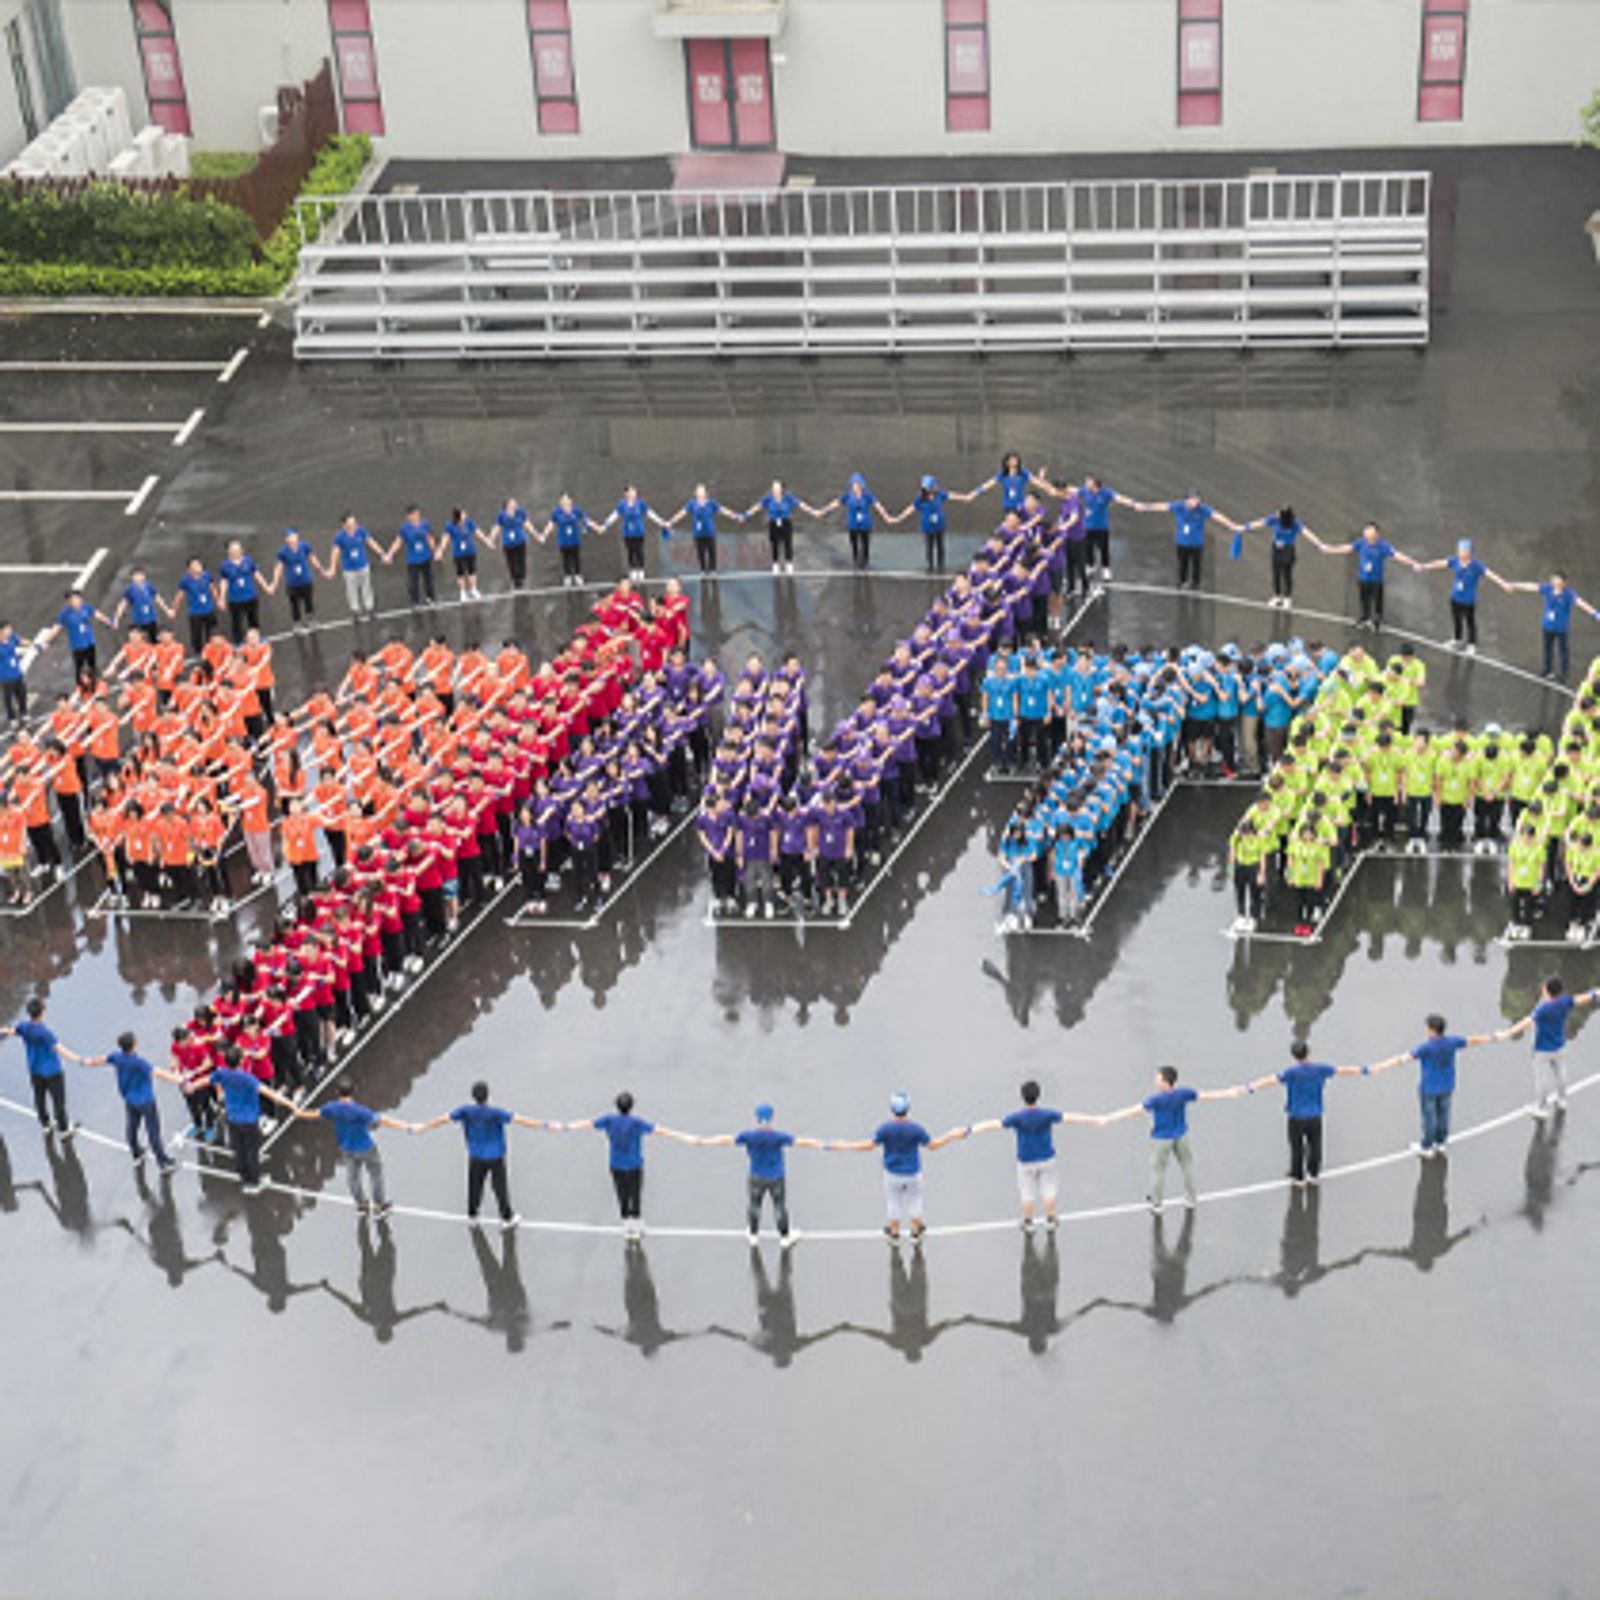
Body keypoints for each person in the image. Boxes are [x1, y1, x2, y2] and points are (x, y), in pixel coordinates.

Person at [829, 1092, 967, 1243]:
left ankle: (894, 1233)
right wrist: (952, 1135)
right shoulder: (916, 1129)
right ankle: (916, 1231)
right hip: (913, 1173)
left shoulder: (885, 1129)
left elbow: (868, 1146)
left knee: (893, 1201)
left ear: (891, 1109)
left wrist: (844, 1146)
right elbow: (933, 1145)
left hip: (892, 1173)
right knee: (914, 1200)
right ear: (908, 1108)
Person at [1101, 1065, 1242, 1212]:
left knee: (1159, 1170)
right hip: (1181, 1135)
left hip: (1162, 1139)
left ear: (1165, 1081)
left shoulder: (1156, 1099)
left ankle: (1157, 1203)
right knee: (1187, 1165)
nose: (1155, 1079)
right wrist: (1229, 1093)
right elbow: (1206, 1095)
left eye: (1158, 1077)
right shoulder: (1183, 1093)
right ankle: (1192, 1198)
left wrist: (1109, 1118)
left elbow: (1134, 1110)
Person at [1244, 1041, 1383, 1185]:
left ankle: (1298, 1176)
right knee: (1315, 1145)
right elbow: (1342, 1070)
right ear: (1308, 1052)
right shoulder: (1320, 1069)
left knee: (1297, 1146)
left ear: (1294, 1056)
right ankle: (1314, 1173)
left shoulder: (1291, 1073)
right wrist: (1365, 1070)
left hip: (1296, 1116)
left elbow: (1270, 1080)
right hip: (1315, 1114)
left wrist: (1250, 1087)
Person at [414, 1080, 546, 1228]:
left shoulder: (465, 1111)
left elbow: (444, 1119)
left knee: (475, 1185)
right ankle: (507, 1217)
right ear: (487, 1095)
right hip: (495, 1156)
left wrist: (423, 1127)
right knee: (499, 1187)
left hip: (475, 1155)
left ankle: (472, 1214)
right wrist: (544, 1125)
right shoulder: (495, 1112)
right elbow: (520, 1120)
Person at [969, 1079, 1099, 1229]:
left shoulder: (1017, 1117)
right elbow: (1070, 1117)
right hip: (1047, 1158)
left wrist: (972, 1129)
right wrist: (1094, 1119)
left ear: (1022, 1096)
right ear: (1038, 1095)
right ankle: (1051, 1220)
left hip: (1026, 1160)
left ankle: (1028, 1222)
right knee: (1048, 1189)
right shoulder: (1046, 1114)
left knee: (1027, 1192)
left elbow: (994, 1124)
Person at [568, 1091, 694, 1239]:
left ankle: (626, 1226)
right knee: (635, 1194)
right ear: (631, 1106)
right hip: (634, 1165)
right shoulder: (637, 1123)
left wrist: (566, 1126)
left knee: (622, 1194)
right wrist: (684, 1137)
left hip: (616, 1165)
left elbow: (587, 1123)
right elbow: (660, 1131)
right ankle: (637, 1225)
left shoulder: (609, 1120)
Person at [696, 1102, 822, 1246]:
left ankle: (753, 1235)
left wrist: (704, 1141)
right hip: (776, 1177)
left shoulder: (749, 1136)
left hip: (756, 1177)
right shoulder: (778, 1136)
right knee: (779, 1206)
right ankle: (785, 1238)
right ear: (772, 1118)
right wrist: (822, 1145)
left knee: (755, 1205)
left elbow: (725, 1139)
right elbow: (802, 1142)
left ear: (757, 1118)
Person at [1497, 975, 1600, 1120]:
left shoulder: (1544, 1009)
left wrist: (1507, 1033)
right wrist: (1595, 993)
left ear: (1548, 991)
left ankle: (1541, 1107)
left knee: (1542, 1080)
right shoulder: (1565, 1001)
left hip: (1543, 1050)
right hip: (1560, 1045)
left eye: (1544, 988)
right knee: (1561, 1074)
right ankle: (1562, 1100)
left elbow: (1527, 1022)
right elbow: (1581, 999)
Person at [301, 1082, 408, 1216]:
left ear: (337, 1092)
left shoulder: (332, 1108)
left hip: (346, 1147)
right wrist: (406, 1127)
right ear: (353, 1091)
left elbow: (313, 1114)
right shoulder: (359, 1111)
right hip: (365, 1147)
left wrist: (298, 1111)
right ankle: (379, 1205)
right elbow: (382, 1120)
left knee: (353, 1177)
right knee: (376, 1174)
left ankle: (361, 1204)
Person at [1397, 1015, 1498, 1157]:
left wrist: (1385, 1065)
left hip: (1429, 1089)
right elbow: (1472, 1040)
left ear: (1432, 1030)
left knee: (1429, 1118)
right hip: (1447, 1086)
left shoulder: (1426, 1047)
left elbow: (1407, 1057)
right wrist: (1491, 1037)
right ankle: (1441, 1142)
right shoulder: (1451, 1042)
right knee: (1444, 1115)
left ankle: (1427, 1145)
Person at [202, 1043, 297, 1193]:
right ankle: (253, 1182)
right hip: (249, 1119)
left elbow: (206, 1080)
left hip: (232, 1117)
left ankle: (242, 1173)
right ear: (240, 1061)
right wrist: (291, 1105)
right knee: (252, 1150)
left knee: (239, 1148)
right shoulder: (248, 1079)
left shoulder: (222, 1073)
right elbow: (269, 1093)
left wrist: (190, 1085)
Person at [82, 1029, 179, 1170]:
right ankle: (162, 1161)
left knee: (132, 1127)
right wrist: (180, 1080)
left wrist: (86, 1061)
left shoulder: (117, 1057)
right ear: (134, 1044)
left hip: (130, 1099)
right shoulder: (138, 1062)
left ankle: (136, 1154)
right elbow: (158, 1073)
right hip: (146, 1100)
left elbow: (100, 1060)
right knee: (153, 1131)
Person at [1, 995, 92, 1136]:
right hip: (52, 1071)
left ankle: (45, 1123)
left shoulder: (24, 1026)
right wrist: (80, 1059)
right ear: (42, 1012)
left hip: (35, 1069)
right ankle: (64, 1129)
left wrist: (3, 1031)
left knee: (39, 1098)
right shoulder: (45, 1033)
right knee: (59, 1102)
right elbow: (60, 1049)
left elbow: (10, 1031)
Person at [1311, 521, 1416, 629]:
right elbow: (1347, 548)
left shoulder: (1383, 546)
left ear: (1376, 535)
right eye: (1366, 534)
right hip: (1363, 578)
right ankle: (1365, 617)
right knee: (1364, 598)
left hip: (1377, 580)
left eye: (1370, 535)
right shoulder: (1361, 542)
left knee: (1377, 600)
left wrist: (1412, 563)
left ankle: (1377, 619)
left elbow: (1397, 555)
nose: (1368, 538)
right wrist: (1330, 549)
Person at [1130, 490, 1241, 592]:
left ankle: (1196, 583)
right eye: (1193, 500)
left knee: (1196, 563)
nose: (1195, 503)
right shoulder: (1178, 506)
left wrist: (1231, 525)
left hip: (1196, 542)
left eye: (1197, 500)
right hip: (1182, 541)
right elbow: (1163, 506)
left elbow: (1217, 516)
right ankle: (1182, 581)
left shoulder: (1203, 509)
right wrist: (1146, 507)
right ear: (1186, 500)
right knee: (1183, 562)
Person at [1497, 570, 1595, 683]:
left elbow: (1581, 603)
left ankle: (1564, 673)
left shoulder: (1569, 594)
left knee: (1563, 650)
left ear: (1564, 582)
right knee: (1547, 649)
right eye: (1554, 579)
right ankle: (1547, 670)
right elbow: (1531, 586)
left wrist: (1596, 614)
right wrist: (1515, 585)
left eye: (1558, 579)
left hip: (1561, 629)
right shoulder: (1547, 589)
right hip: (1547, 626)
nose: (1555, 581)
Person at [1413, 538, 1493, 654]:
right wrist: (1424, 566)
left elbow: (1490, 574)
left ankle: (1472, 644)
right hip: (1455, 597)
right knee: (1457, 619)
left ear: (1469, 552)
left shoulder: (1476, 565)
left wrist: (1504, 583)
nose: (1460, 553)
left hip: (1469, 600)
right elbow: (1440, 563)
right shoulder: (1455, 561)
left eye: (1463, 551)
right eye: (1459, 550)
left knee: (1470, 622)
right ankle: (1457, 639)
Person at [744, 478, 819, 575]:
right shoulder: (768, 498)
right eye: (773, 488)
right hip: (773, 523)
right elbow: (757, 506)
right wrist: (746, 515)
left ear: (781, 489)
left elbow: (801, 505)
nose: (775, 490)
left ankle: (789, 564)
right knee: (775, 543)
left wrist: (813, 512)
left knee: (787, 543)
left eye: (777, 488)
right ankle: (775, 564)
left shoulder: (788, 497)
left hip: (786, 522)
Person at [1242, 507, 1314, 609]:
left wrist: (1319, 544)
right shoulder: (1275, 518)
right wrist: (1245, 527)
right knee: (1276, 572)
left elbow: (1307, 532)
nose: (1277, 515)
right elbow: (1260, 523)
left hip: (1288, 550)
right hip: (1276, 548)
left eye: (1280, 515)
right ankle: (1277, 596)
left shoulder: (1295, 523)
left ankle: (1287, 598)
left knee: (1286, 573)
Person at [667, 484, 746, 575]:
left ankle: (713, 569)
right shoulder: (692, 504)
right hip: (698, 534)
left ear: (706, 493)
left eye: (702, 492)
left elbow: (723, 510)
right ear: (695, 493)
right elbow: (682, 513)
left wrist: (736, 516)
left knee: (711, 551)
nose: (701, 494)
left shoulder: (711, 503)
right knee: (700, 552)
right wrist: (671, 522)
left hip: (710, 533)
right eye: (699, 492)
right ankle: (703, 569)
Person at [602, 487, 668, 582]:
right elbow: (614, 516)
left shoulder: (641, 504)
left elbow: (650, 514)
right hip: (628, 533)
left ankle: (640, 570)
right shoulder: (622, 505)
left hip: (639, 532)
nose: (633, 494)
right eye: (631, 492)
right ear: (626, 494)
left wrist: (662, 522)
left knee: (639, 550)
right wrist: (605, 525)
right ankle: (632, 569)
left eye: (634, 492)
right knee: (630, 551)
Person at [325, 512, 382, 620]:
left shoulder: (361, 531)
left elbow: (371, 542)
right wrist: (333, 567)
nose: (353, 525)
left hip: (363, 565)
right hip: (349, 569)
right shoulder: (340, 537)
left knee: (367, 587)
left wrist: (381, 553)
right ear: (344, 524)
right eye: (350, 523)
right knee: (351, 590)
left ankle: (370, 609)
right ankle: (355, 611)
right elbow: (335, 552)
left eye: (354, 522)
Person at [45, 589, 112, 679]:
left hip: (89, 641)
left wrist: (108, 621)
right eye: (73, 599)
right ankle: (81, 686)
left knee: (92, 664)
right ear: (69, 601)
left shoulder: (85, 607)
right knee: (79, 668)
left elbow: (96, 614)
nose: (77, 601)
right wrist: (46, 641)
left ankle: (96, 682)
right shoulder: (65, 614)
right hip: (77, 646)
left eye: (77, 598)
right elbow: (56, 628)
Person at [386, 504, 437, 608]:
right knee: (413, 582)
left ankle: (431, 598)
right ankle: (415, 601)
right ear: (408, 516)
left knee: (429, 579)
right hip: (413, 560)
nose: (415, 516)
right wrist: (390, 554)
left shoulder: (425, 524)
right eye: (412, 514)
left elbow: (430, 538)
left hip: (425, 557)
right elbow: (398, 542)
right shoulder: (404, 528)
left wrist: (435, 550)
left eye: (416, 513)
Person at [267, 530, 319, 630]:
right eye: (290, 537)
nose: (293, 539)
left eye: (294, 536)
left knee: (309, 601)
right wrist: (274, 583)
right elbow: (278, 568)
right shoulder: (283, 552)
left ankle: (311, 620)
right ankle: (297, 624)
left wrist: (320, 570)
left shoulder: (304, 546)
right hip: (292, 583)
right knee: (295, 604)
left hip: (306, 580)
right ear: (286, 539)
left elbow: (313, 558)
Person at [437, 506, 487, 603]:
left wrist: (487, 541)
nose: (465, 515)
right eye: (462, 514)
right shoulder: (450, 525)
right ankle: (463, 592)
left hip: (470, 550)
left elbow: (478, 533)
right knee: (460, 573)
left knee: (472, 570)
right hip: (458, 553)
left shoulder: (469, 522)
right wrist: (440, 551)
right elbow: (445, 539)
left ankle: (473, 589)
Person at [217, 539, 263, 643]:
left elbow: (256, 574)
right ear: (229, 551)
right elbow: (224, 582)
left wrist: (266, 586)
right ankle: (238, 643)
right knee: (237, 622)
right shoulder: (225, 566)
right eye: (234, 550)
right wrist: (222, 598)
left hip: (251, 596)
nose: (237, 551)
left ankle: (256, 641)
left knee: (254, 620)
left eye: (238, 549)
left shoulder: (248, 560)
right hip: (235, 599)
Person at [174, 557, 220, 653]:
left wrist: (218, 600)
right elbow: (180, 595)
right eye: (194, 565)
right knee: (196, 636)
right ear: (189, 569)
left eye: (199, 564)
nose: (198, 567)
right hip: (195, 612)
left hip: (209, 609)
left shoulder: (207, 576)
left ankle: (211, 651)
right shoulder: (186, 580)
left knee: (211, 633)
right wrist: (174, 609)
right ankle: (198, 652)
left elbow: (213, 588)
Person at [113, 568, 166, 642]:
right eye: (136, 576)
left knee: (154, 640)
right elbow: (122, 604)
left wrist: (166, 610)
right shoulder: (130, 590)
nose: (138, 578)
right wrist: (116, 619)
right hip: (138, 620)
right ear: (132, 578)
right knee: (140, 641)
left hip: (151, 619)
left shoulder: (148, 586)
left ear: (144, 576)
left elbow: (157, 598)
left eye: (140, 575)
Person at [492, 497, 532, 589]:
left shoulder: (520, 512)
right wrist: (491, 539)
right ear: (507, 505)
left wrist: (535, 534)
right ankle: (515, 579)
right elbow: (497, 527)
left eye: (515, 502)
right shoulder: (501, 515)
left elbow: (527, 524)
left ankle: (522, 577)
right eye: (513, 502)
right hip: (508, 543)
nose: (515, 504)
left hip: (520, 540)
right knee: (511, 561)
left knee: (521, 560)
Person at [0, 619, 31, 724]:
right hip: (5, 676)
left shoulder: (12, 637)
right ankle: (12, 718)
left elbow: (20, 641)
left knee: (22, 693)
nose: (10, 630)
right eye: (7, 629)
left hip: (17, 672)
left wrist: (32, 643)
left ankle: (24, 713)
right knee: (9, 698)